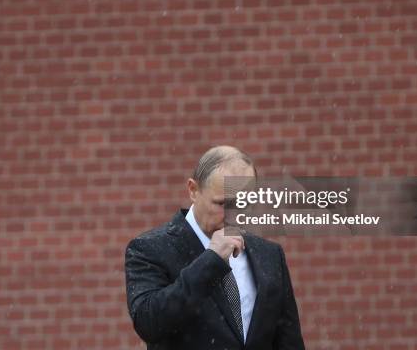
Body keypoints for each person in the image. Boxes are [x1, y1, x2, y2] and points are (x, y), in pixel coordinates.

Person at [124, 145, 305, 349]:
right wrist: (211, 260)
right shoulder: (149, 249)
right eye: (222, 204)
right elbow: (149, 323)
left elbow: (289, 341)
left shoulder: (270, 255)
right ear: (193, 190)